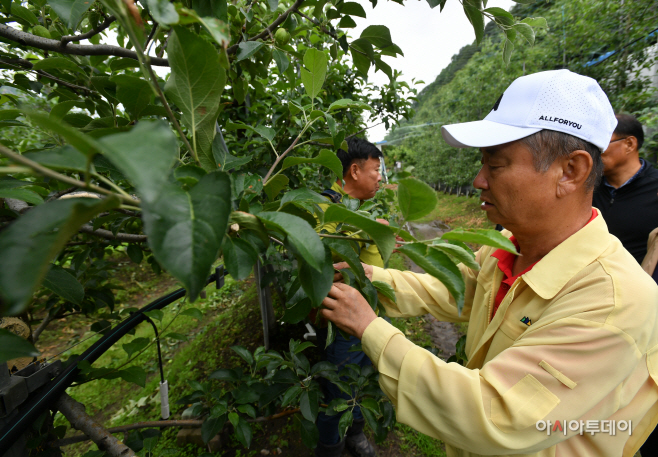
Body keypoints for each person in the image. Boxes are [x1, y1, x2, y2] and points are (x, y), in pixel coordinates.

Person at [320, 69, 658, 457]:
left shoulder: (613, 303)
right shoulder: (509, 248)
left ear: (571, 171)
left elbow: (495, 413)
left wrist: (371, 329)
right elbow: (454, 290)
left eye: (495, 166)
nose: (479, 180)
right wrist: (370, 278)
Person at [314, 137, 384, 457]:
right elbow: (314, 270)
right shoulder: (322, 210)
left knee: (359, 378)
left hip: (365, 313)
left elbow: (372, 268)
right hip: (340, 318)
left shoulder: (357, 211)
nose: (380, 177)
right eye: (376, 170)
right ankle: (330, 447)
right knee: (338, 386)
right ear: (354, 171)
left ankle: (354, 433)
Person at [593, 113, 658, 265]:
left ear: (629, 144)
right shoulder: (588, 185)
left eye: (601, 143)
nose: (594, 151)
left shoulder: (654, 189)